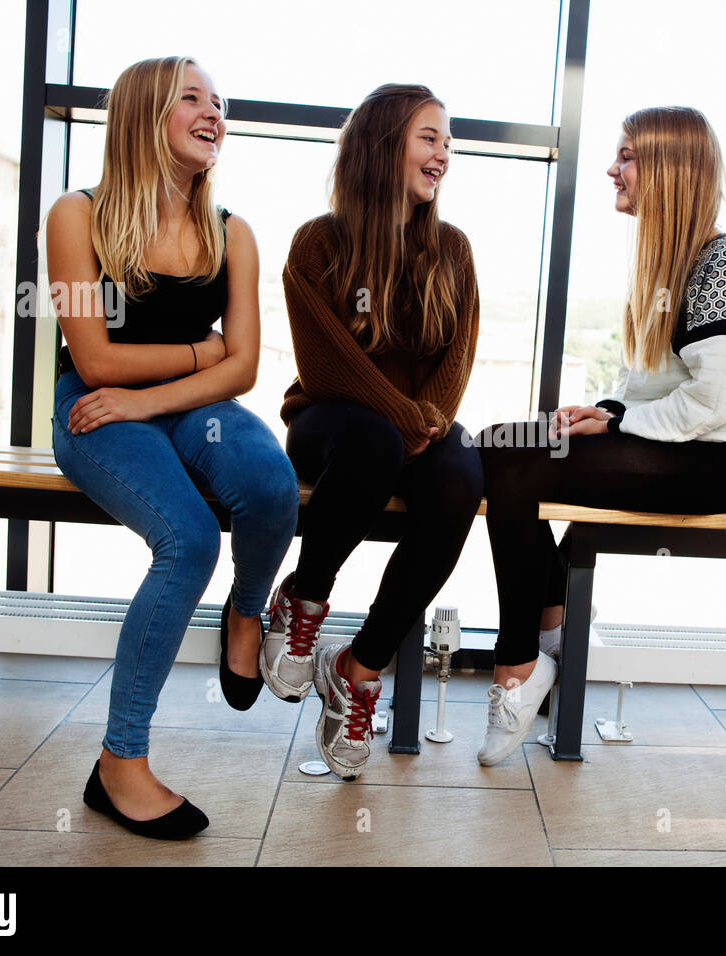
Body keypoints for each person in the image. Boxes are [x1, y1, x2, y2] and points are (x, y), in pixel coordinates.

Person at [476, 106, 726, 766]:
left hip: (715, 460)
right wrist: (605, 410)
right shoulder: (668, 264)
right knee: (500, 443)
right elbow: (648, 385)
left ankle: (519, 664)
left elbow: (710, 402)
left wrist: (619, 422)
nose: (612, 169)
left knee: (520, 465)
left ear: (669, 168)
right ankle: (551, 642)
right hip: (670, 441)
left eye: (626, 157)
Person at [47, 56, 298, 838]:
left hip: (188, 407)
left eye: (219, 103)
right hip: (96, 411)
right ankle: (119, 765)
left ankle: (247, 612)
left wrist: (161, 390)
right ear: (143, 115)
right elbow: (96, 362)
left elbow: (247, 367)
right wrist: (200, 352)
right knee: (187, 539)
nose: (213, 113)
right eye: (192, 98)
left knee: (272, 487)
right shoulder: (74, 217)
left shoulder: (234, 233)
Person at [263, 84, 482, 781]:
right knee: (373, 442)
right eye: (429, 137)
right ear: (384, 144)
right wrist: (405, 415)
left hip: (417, 429)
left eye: (447, 141)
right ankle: (302, 601)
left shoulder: (452, 248)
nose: (442, 153)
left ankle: (355, 671)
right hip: (333, 424)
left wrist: (432, 421)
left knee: (462, 472)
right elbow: (328, 362)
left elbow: (459, 353)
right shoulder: (318, 242)